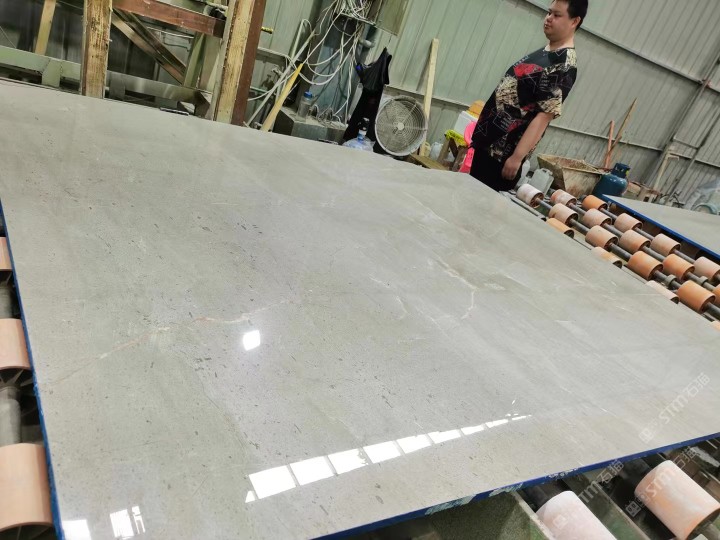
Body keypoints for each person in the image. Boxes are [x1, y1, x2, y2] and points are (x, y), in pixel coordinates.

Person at [471, 0, 587, 191]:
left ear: (574, 21)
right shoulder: (547, 51)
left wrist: (516, 158)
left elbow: (543, 116)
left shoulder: (564, 66)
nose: (548, 18)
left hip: (502, 156)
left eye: (557, 15)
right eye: (549, 12)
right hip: (489, 144)